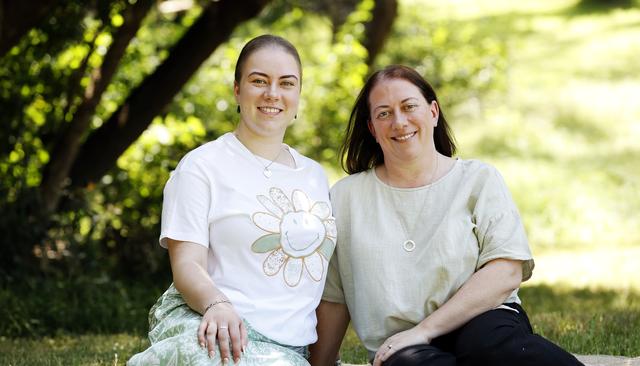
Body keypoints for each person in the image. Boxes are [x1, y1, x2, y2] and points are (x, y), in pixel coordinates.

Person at [309, 65, 583, 366]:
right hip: (402, 347)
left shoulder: (478, 179)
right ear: (372, 128)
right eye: (384, 113)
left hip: (483, 321)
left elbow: (507, 270)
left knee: (489, 345)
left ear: (433, 112)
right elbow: (334, 296)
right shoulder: (345, 198)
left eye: (409, 106)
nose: (399, 122)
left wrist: (425, 330)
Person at [127, 34, 337, 366]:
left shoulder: (314, 176)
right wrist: (217, 304)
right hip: (213, 322)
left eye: (286, 83)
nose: (272, 93)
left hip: (287, 349)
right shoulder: (202, 167)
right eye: (259, 81)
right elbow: (187, 264)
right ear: (237, 89)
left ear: (298, 94)